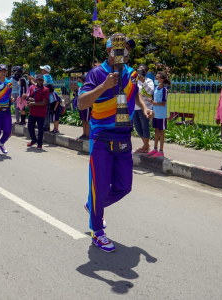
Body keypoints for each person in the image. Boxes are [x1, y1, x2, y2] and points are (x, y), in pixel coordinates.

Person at [77, 36, 153, 252]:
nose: (125, 52)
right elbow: (82, 102)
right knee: (99, 186)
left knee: (124, 186)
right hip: (101, 137)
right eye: (120, 48)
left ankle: (93, 205)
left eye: (127, 48)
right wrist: (104, 86)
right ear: (109, 50)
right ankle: (97, 231)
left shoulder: (131, 73)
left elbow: (135, 92)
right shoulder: (96, 73)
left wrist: (143, 107)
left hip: (123, 137)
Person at [148, 71, 170, 157]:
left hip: (161, 115)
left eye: (157, 78)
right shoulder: (156, 89)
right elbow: (154, 101)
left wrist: (155, 102)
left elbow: (163, 103)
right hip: (155, 114)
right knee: (156, 131)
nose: (156, 80)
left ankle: (161, 151)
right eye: (155, 78)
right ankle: (155, 149)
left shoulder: (164, 90)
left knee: (161, 132)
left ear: (162, 79)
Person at [133, 64, 154, 153]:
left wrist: (144, 82)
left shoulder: (149, 81)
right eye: (139, 70)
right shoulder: (135, 81)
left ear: (146, 71)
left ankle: (145, 146)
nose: (140, 71)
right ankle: (146, 144)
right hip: (134, 107)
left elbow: (150, 92)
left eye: (142, 70)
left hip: (145, 108)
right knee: (138, 127)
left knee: (145, 127)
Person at [26, 74, 49, 150]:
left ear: (43, 81)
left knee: (40, 129)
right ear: (36, 80)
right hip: (32, 111)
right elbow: (30, 97)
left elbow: (44, 102)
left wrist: (34, 103)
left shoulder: (46, 89)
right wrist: (29, 99)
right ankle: (33, 140)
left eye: (41, 80)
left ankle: (39, 143)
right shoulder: (33, 88)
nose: (40, 81)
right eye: (38, 80)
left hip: (41, 112)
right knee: (30, 127)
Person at [76, 75, 90, 140]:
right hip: (80, 106)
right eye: (78, 81)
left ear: (83, 81)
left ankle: (88, 135)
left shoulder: (86, 88)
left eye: (79, 81)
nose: (78, 83)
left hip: (86, 106)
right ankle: (84, 134)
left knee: (87, 121)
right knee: (83, 121)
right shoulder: (79, 89)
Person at [40, 65, 53, 132]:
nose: (41, 71)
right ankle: (46, 125)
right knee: (47, 112)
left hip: (44, 97)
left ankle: (45, 126)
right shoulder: (50, 77)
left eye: (42, 69)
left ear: (45, 71)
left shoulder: (44, 78)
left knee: (44, 112)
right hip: (49, 97)